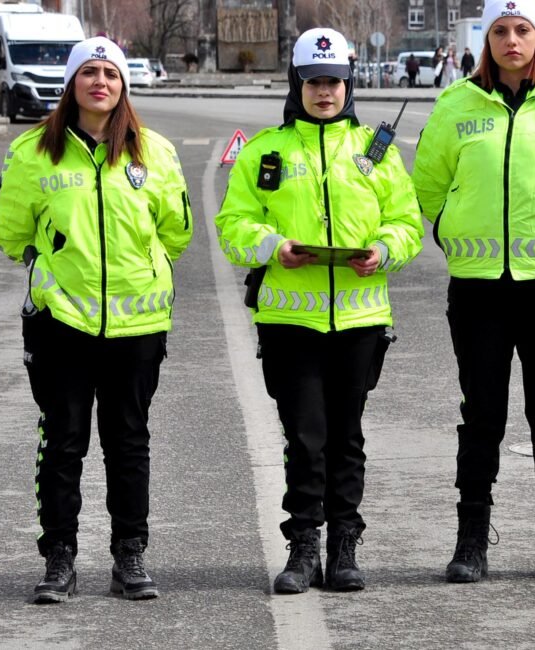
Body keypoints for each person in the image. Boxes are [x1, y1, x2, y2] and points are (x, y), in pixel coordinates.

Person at [215, 27, 423, 594]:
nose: (324, 92)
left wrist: (382, 251)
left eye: (333, 82)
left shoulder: (375, 153)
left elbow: (407, 223)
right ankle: (303, 545)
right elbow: (233, 225)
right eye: (313, 82)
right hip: (290, 322)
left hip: (358, 322)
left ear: (348, 84)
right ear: (297, 84)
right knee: (305, 437)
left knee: (347, 436)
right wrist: (271, 247)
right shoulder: (266, 151)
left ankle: (344, 547)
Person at [412, 0, 535, 584]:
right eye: (499, 31)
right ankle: (471, 538)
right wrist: (453, 228)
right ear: (486, 40)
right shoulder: (455, 105)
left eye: (521, 29)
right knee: (481, 415)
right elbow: (427, 186)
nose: (511, 40)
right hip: (478, 289)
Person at [0, 36, 194, 604]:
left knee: (128, 443)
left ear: (123, 85)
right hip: (62, 327)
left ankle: (130, 556)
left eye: (110, 73)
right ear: (71, 84)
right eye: (89, 72)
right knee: (63, 443)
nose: (100, 82)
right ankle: (59, 559)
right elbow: (8, 231)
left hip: (138, 327)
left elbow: (176, 231)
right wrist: (49, 263)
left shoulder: (154, 151)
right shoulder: (33, 152)